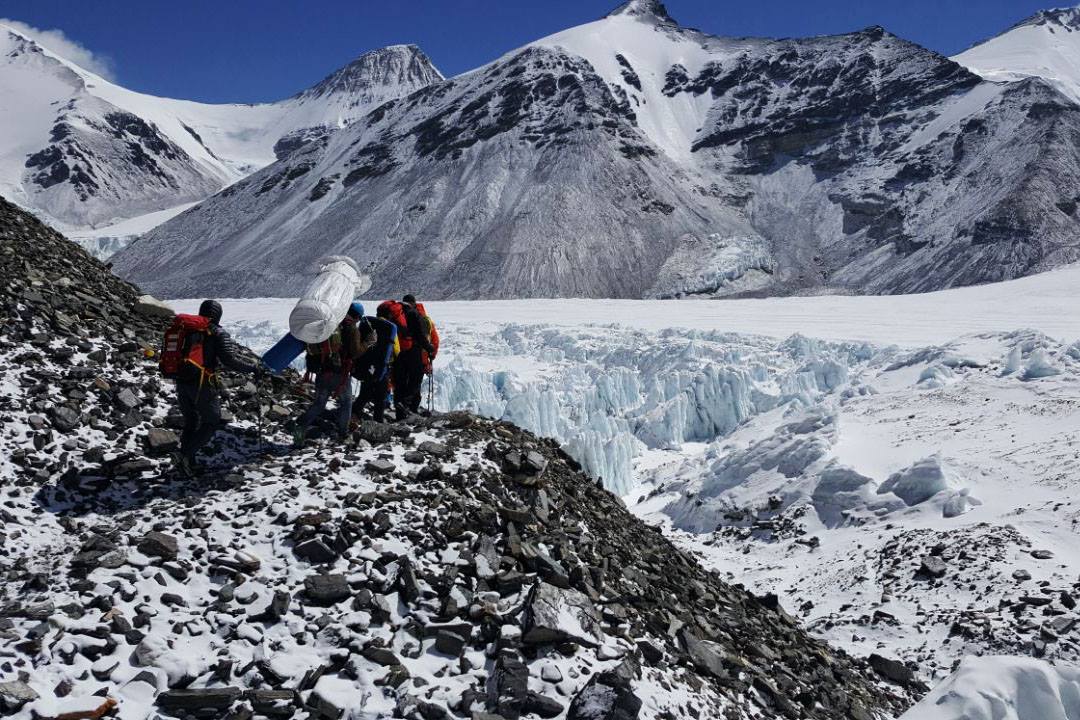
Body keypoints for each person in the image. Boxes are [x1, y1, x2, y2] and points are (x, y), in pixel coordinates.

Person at [171, 299, 264, 477]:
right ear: (218, 314)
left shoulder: (187, 330)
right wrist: (253, 368)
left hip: (182, 382)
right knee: (211, 422)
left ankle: (187, 464)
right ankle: (183, 455)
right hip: (203, 384)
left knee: (192, 421)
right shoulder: (217, 332)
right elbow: (230, 360)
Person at [293, 303, 365, 445]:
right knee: (346, 403)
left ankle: (300, 425)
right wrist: (367, 343)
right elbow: (355, 352)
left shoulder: (332, 323)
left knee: (319, 404)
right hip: (340, 375)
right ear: (357, 317)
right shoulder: (351, 328)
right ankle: (343, 434)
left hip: (322, 371)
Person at [394, 294, 436, 416]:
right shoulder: (413, 313)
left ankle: (399, 413)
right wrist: (429, 348)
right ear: (413, 303)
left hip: (397, 352)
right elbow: (420, 335)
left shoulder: (396, 313)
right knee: (416, 378)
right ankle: (405, 403)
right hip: (413, 351)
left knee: (400, 381)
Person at [353, 311, 398, 423]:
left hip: (367, 365)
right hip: (382, 367)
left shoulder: (370, 324)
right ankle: (378, 421)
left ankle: (354, 413)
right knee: (381, 396)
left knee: (364, 393)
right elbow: (397, 350)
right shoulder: (390, 329)